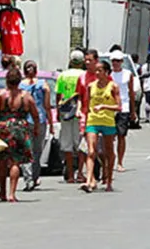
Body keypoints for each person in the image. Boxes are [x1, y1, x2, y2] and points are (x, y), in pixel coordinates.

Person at [0, 66, 40, 203]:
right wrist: (36, 128)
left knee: (2, 161)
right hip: (20, 129)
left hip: (2, 129)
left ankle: (2, 191)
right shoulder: (26, 96)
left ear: (7, 80)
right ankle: (12, 193)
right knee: (15, 161)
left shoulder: (0, 95)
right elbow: (35, 115)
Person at [82, 59, 120, 192]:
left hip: (107, 122)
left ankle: (109, 180)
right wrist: (84, 122)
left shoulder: (113, 86)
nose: (97, 73)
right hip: (93, 121)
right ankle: (89, 181)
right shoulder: (91, 86)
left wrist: (104, 106)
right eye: (96, 70)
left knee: (109, 152)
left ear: (106, 72)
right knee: (91, 151)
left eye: (100, 70)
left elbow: (118, 106)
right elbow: (86, 105)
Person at [20, 60, 53, 191]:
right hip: (40, 120)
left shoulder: (20, 86)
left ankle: (29, 178)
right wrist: (50, 122)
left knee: (27, 150)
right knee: (37, 150)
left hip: (25, 120)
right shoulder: (43, 85)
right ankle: (34, 177)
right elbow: (47, 106)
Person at [55, 50, 86, 183]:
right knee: (80, 143)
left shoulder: (63, 75)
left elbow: (59, 95)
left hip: (66, 112)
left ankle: (70, 175)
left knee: (67, 144)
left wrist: (58, 111)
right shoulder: (84, 75)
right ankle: (80, 172)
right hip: (81, 111)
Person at [109, 50, 136, 172]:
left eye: (118, 61)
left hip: (124, 107)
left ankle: (120, 162)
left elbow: (131, 92)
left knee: (121, 135)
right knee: (109, 136)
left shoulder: (127, 74)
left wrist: (133, 111)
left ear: (122, 62)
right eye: (114, 61)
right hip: (109, 107)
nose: (116, 63)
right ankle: (109, 161)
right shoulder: (108, 74)